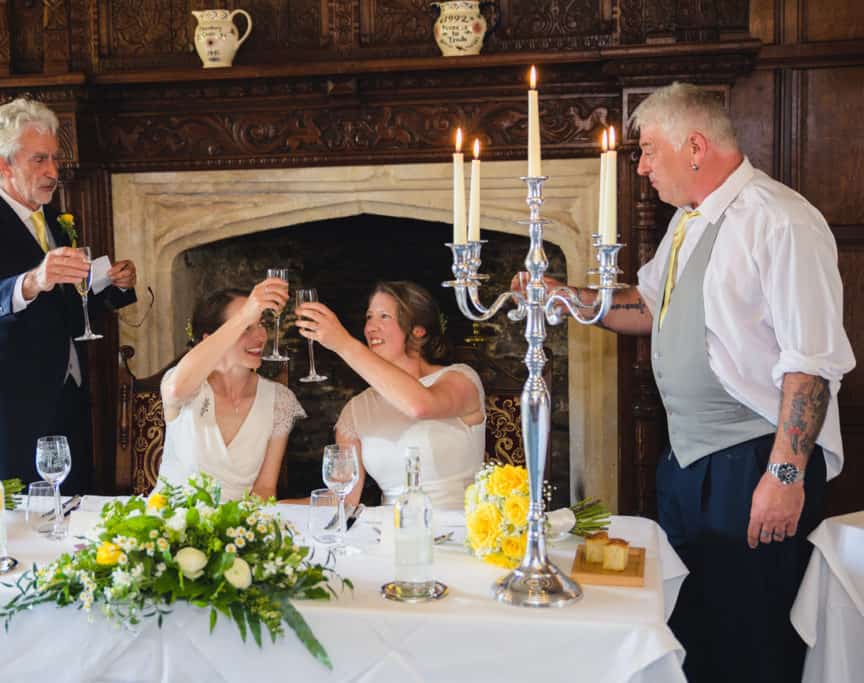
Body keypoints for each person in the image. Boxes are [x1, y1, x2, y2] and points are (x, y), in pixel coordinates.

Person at [517, 82, 855, 682]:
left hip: (752, 463)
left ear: (694, 146)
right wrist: (566, 296)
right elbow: (648, 306)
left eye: (648, 150)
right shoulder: (689, 222)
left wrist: (784, 475)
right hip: (690, 464)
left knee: (754, 638)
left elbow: (813, 362)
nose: (641, 166)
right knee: (696, 631)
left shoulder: (781, 221)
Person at [0, 98, 138, 495]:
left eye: (54, 158)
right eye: (39, 160)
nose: (53, 172)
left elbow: (67, 310)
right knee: (20, 516)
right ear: (4, 165)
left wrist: (112, 286)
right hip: (13, 402)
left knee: (72, 508)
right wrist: (32, 281)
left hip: (69, 396)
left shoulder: (55, 219)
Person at [295, 281, 485, 510]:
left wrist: (343, 344)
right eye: (369, 317)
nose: (371, 328)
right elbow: (343, 499)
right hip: (391, 534)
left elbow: (420, 406)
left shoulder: (460, 379)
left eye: (384, 316)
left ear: (418, 330)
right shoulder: (356, 409)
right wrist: (267, 510)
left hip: (461, 530)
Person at [159, 281, 306, 501]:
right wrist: (245, 313)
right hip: (171, 523)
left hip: (237, 529)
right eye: (246, 327)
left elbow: (265, 489)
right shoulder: (184, 385)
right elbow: (176, 390)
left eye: (260, 324)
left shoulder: (279, 400)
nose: (260, 337)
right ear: (212, 339)